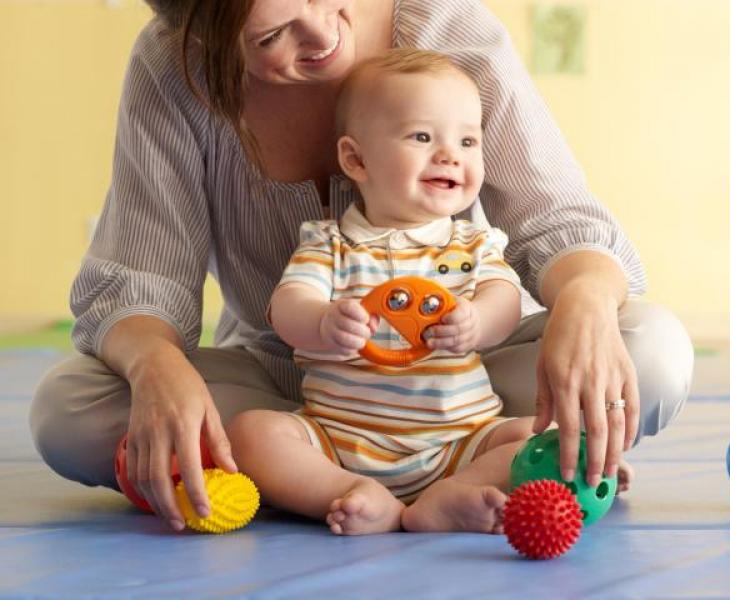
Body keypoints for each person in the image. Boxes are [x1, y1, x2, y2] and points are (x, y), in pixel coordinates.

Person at [30, 0, 694, 533]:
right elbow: (140, 278)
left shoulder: (442, 24)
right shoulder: (174, 69)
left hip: (465, 379)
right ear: (202, 39)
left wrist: (583, 304)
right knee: (69, 413)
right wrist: (157, 366)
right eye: (272, 36)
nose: (324, 34)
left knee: (652, 352)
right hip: (285, 383)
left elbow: (557, 219)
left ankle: (374, 477)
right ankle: (352, 474)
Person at [228, 48, 535, 535]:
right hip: (338, 441)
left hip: (462, 441)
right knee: (250, 434)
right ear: (356, 159)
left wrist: (477, 321)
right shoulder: (330, 244)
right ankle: (350, 493)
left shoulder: (473, 244)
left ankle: (449, 495)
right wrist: (323, 322)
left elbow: (505, 300)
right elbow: (288, 306)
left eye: (468, 140)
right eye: (422, 137)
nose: (450, 155)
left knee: (542, 437)